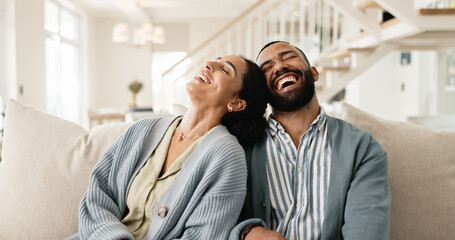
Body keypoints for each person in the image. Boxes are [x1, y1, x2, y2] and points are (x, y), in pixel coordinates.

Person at [68, 55, 268, 240]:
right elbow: (97, 195)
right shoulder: (142, 129)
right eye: (216, 60)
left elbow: (204, 234)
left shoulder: (227, 156)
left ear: (237, 103)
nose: (209, 64)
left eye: (225, 70)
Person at [229, 41, 390, 240]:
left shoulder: (362, 148)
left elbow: (367, 229)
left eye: (288, 57)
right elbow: (217, 218)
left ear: (313, 73)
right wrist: (246, 231)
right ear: (263, 91)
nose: (279, 66)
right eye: (268, 67)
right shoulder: (241, 146)